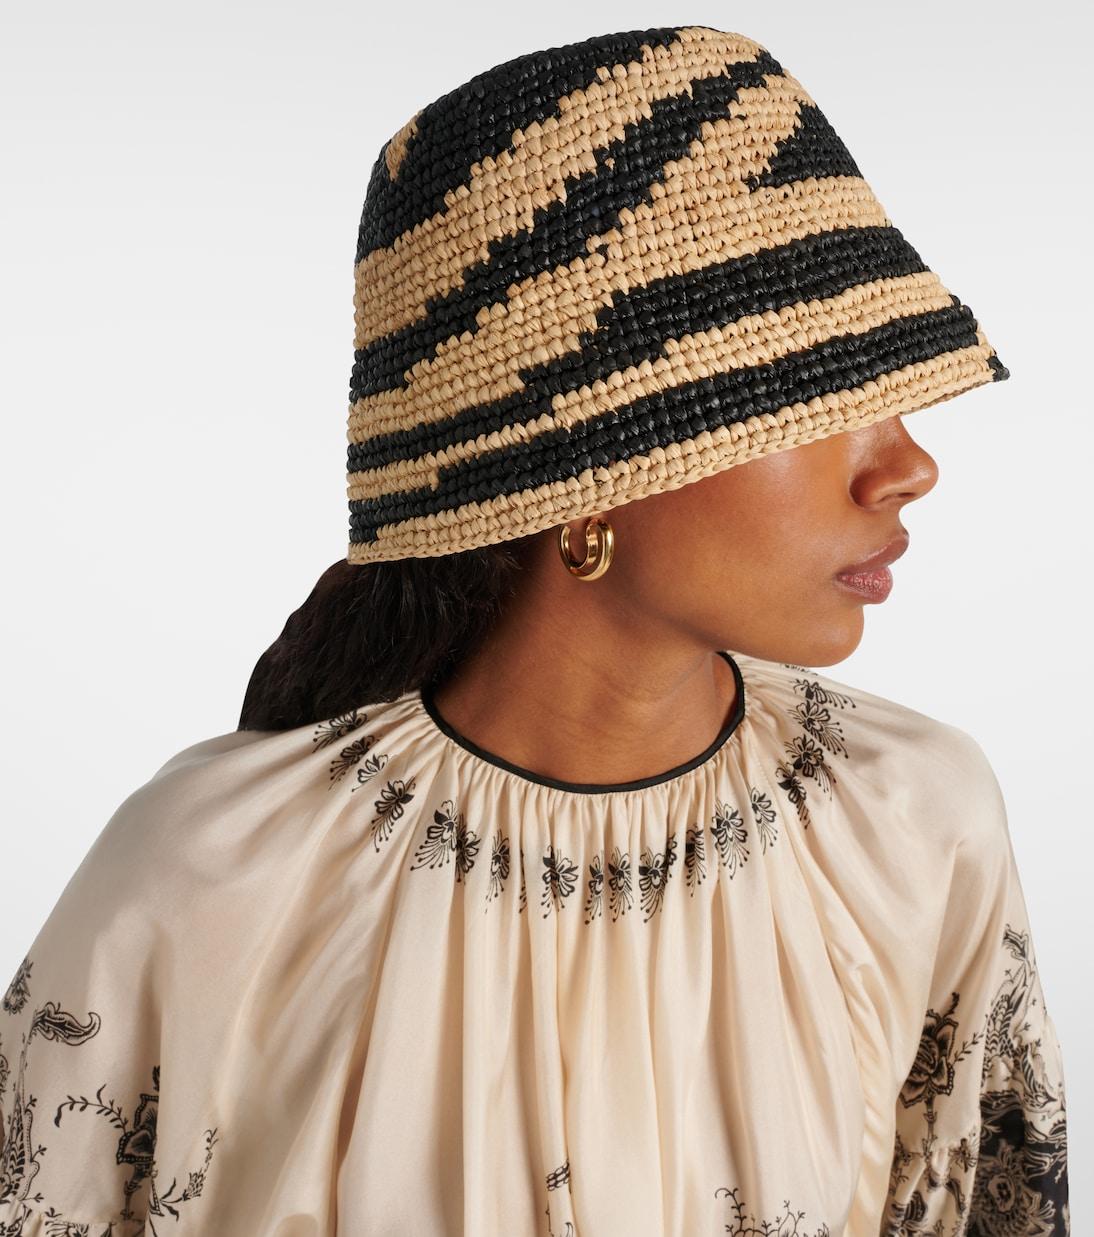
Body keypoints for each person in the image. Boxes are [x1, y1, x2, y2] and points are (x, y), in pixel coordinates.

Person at [0, 23, 1068, 1237]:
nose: (907, 467)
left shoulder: (911, 824)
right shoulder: (210, 876)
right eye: (820, 398)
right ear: (583, 473)